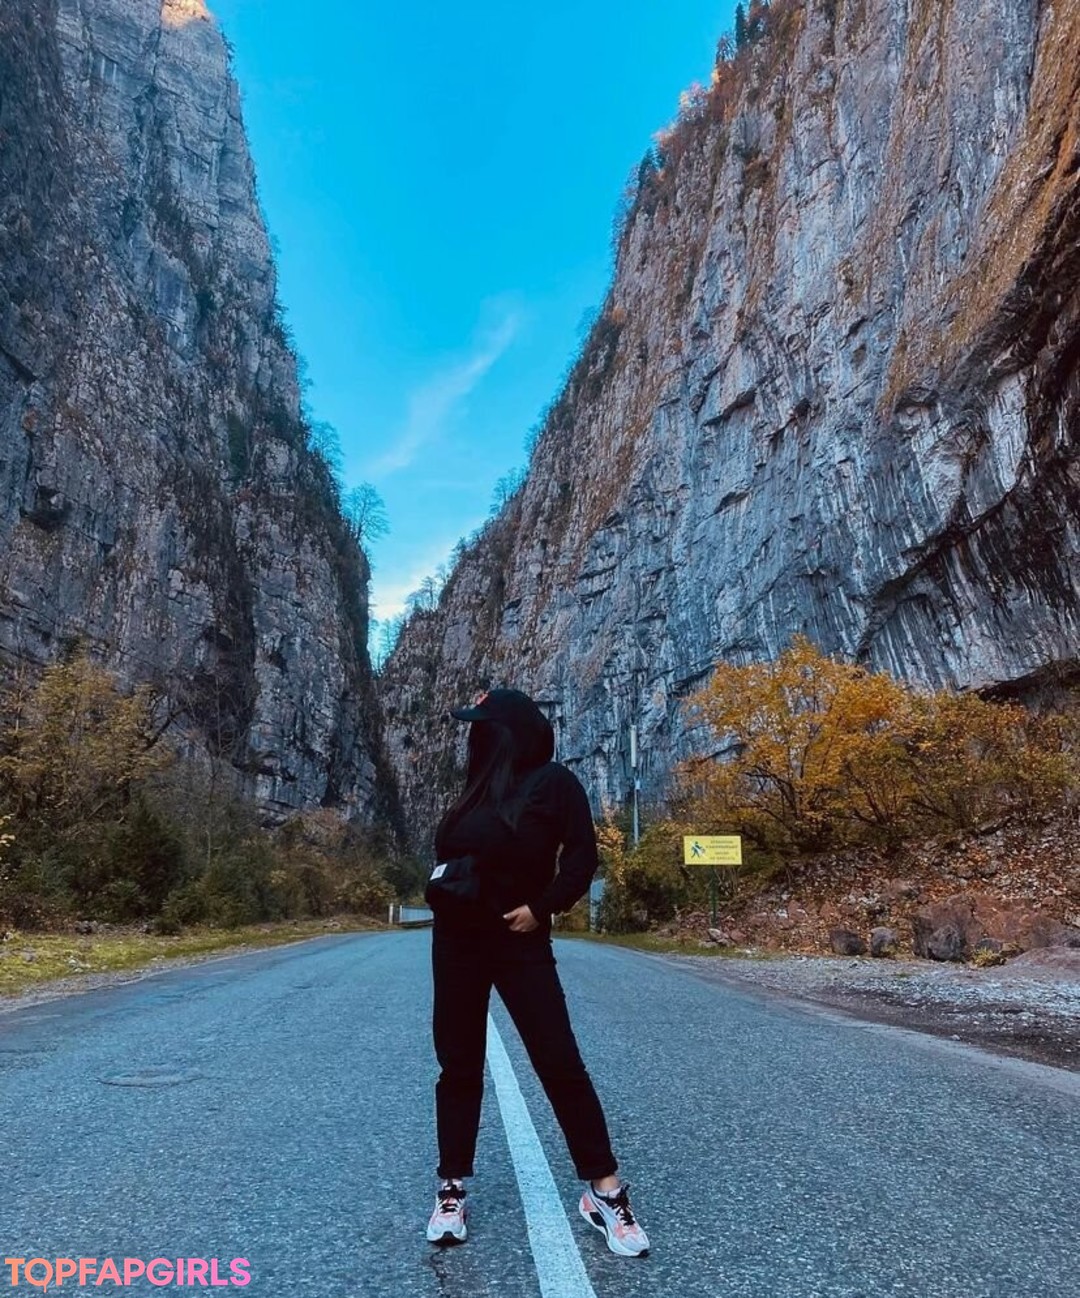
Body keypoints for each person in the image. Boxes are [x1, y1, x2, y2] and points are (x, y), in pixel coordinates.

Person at [424, 687, 650, 1258]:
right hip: (456, 943)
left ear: (511, 732)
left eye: (483, 726)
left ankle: (605, 1191)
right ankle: (451, 1189)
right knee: (458, 1065)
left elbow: (581, 856)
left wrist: (543, 907)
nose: (475, 735)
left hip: (518, 942)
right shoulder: (475, 789)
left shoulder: (554, 783)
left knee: (559, 1061)